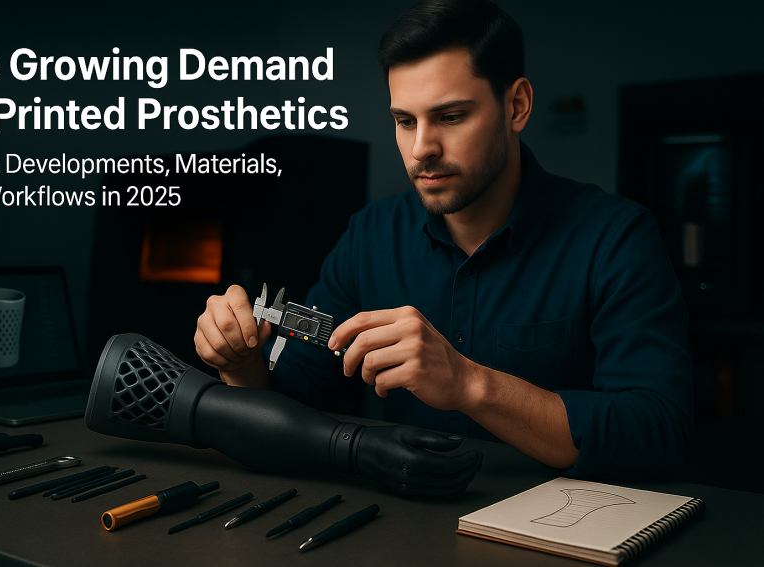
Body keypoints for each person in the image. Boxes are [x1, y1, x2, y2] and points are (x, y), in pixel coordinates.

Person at [193, 0, 693, 480]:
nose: (421, 149)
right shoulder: (370, 236)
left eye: (451, 117)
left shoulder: (616, 238)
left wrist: (469, 383)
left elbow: (659, 433)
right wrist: (244, 367)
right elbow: (296, 403)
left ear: (516, 106)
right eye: (404, 121)